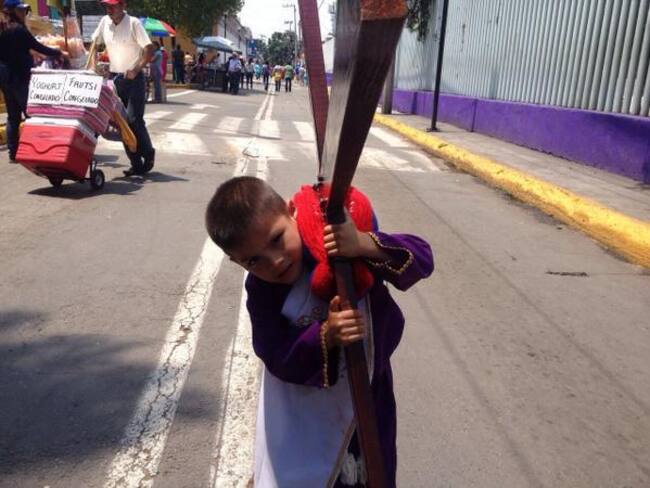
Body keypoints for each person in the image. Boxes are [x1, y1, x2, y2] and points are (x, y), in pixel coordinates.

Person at [205, 177, 434, 487]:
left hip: (369, 391)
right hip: (306, 408)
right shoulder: (261, 289)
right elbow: (272, 350)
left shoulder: (338, 243)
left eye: (277, 239)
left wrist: (362, 243)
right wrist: (326, 335)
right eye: (254, 261)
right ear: (237, 262)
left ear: (291, 211)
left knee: (374, 470)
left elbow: (422, 256)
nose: (275, 261)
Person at [91, 0, 156, 177]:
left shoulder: (134, 23)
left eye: (113, 6)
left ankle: (148, 153)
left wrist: (136, 69)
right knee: (121, 122)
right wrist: (94, 63)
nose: (109, 9)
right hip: (115, 79)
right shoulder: (104, 22)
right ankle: (135, 163)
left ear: (123, 6)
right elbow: (94, 43)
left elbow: (149, 49)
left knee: (134, 120)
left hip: (134, 78)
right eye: (107, 6)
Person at [0, 0, 64, 163]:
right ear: (12, 12)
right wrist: (57, 52)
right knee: (32, 115)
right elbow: (37, 46)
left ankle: (13, 153)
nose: (24, 13)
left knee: (13, 117)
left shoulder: (4, 30)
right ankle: (34, 150)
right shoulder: (19, 30)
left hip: (6, 80)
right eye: (21, 10)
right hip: (20, 79)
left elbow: (25, 49)